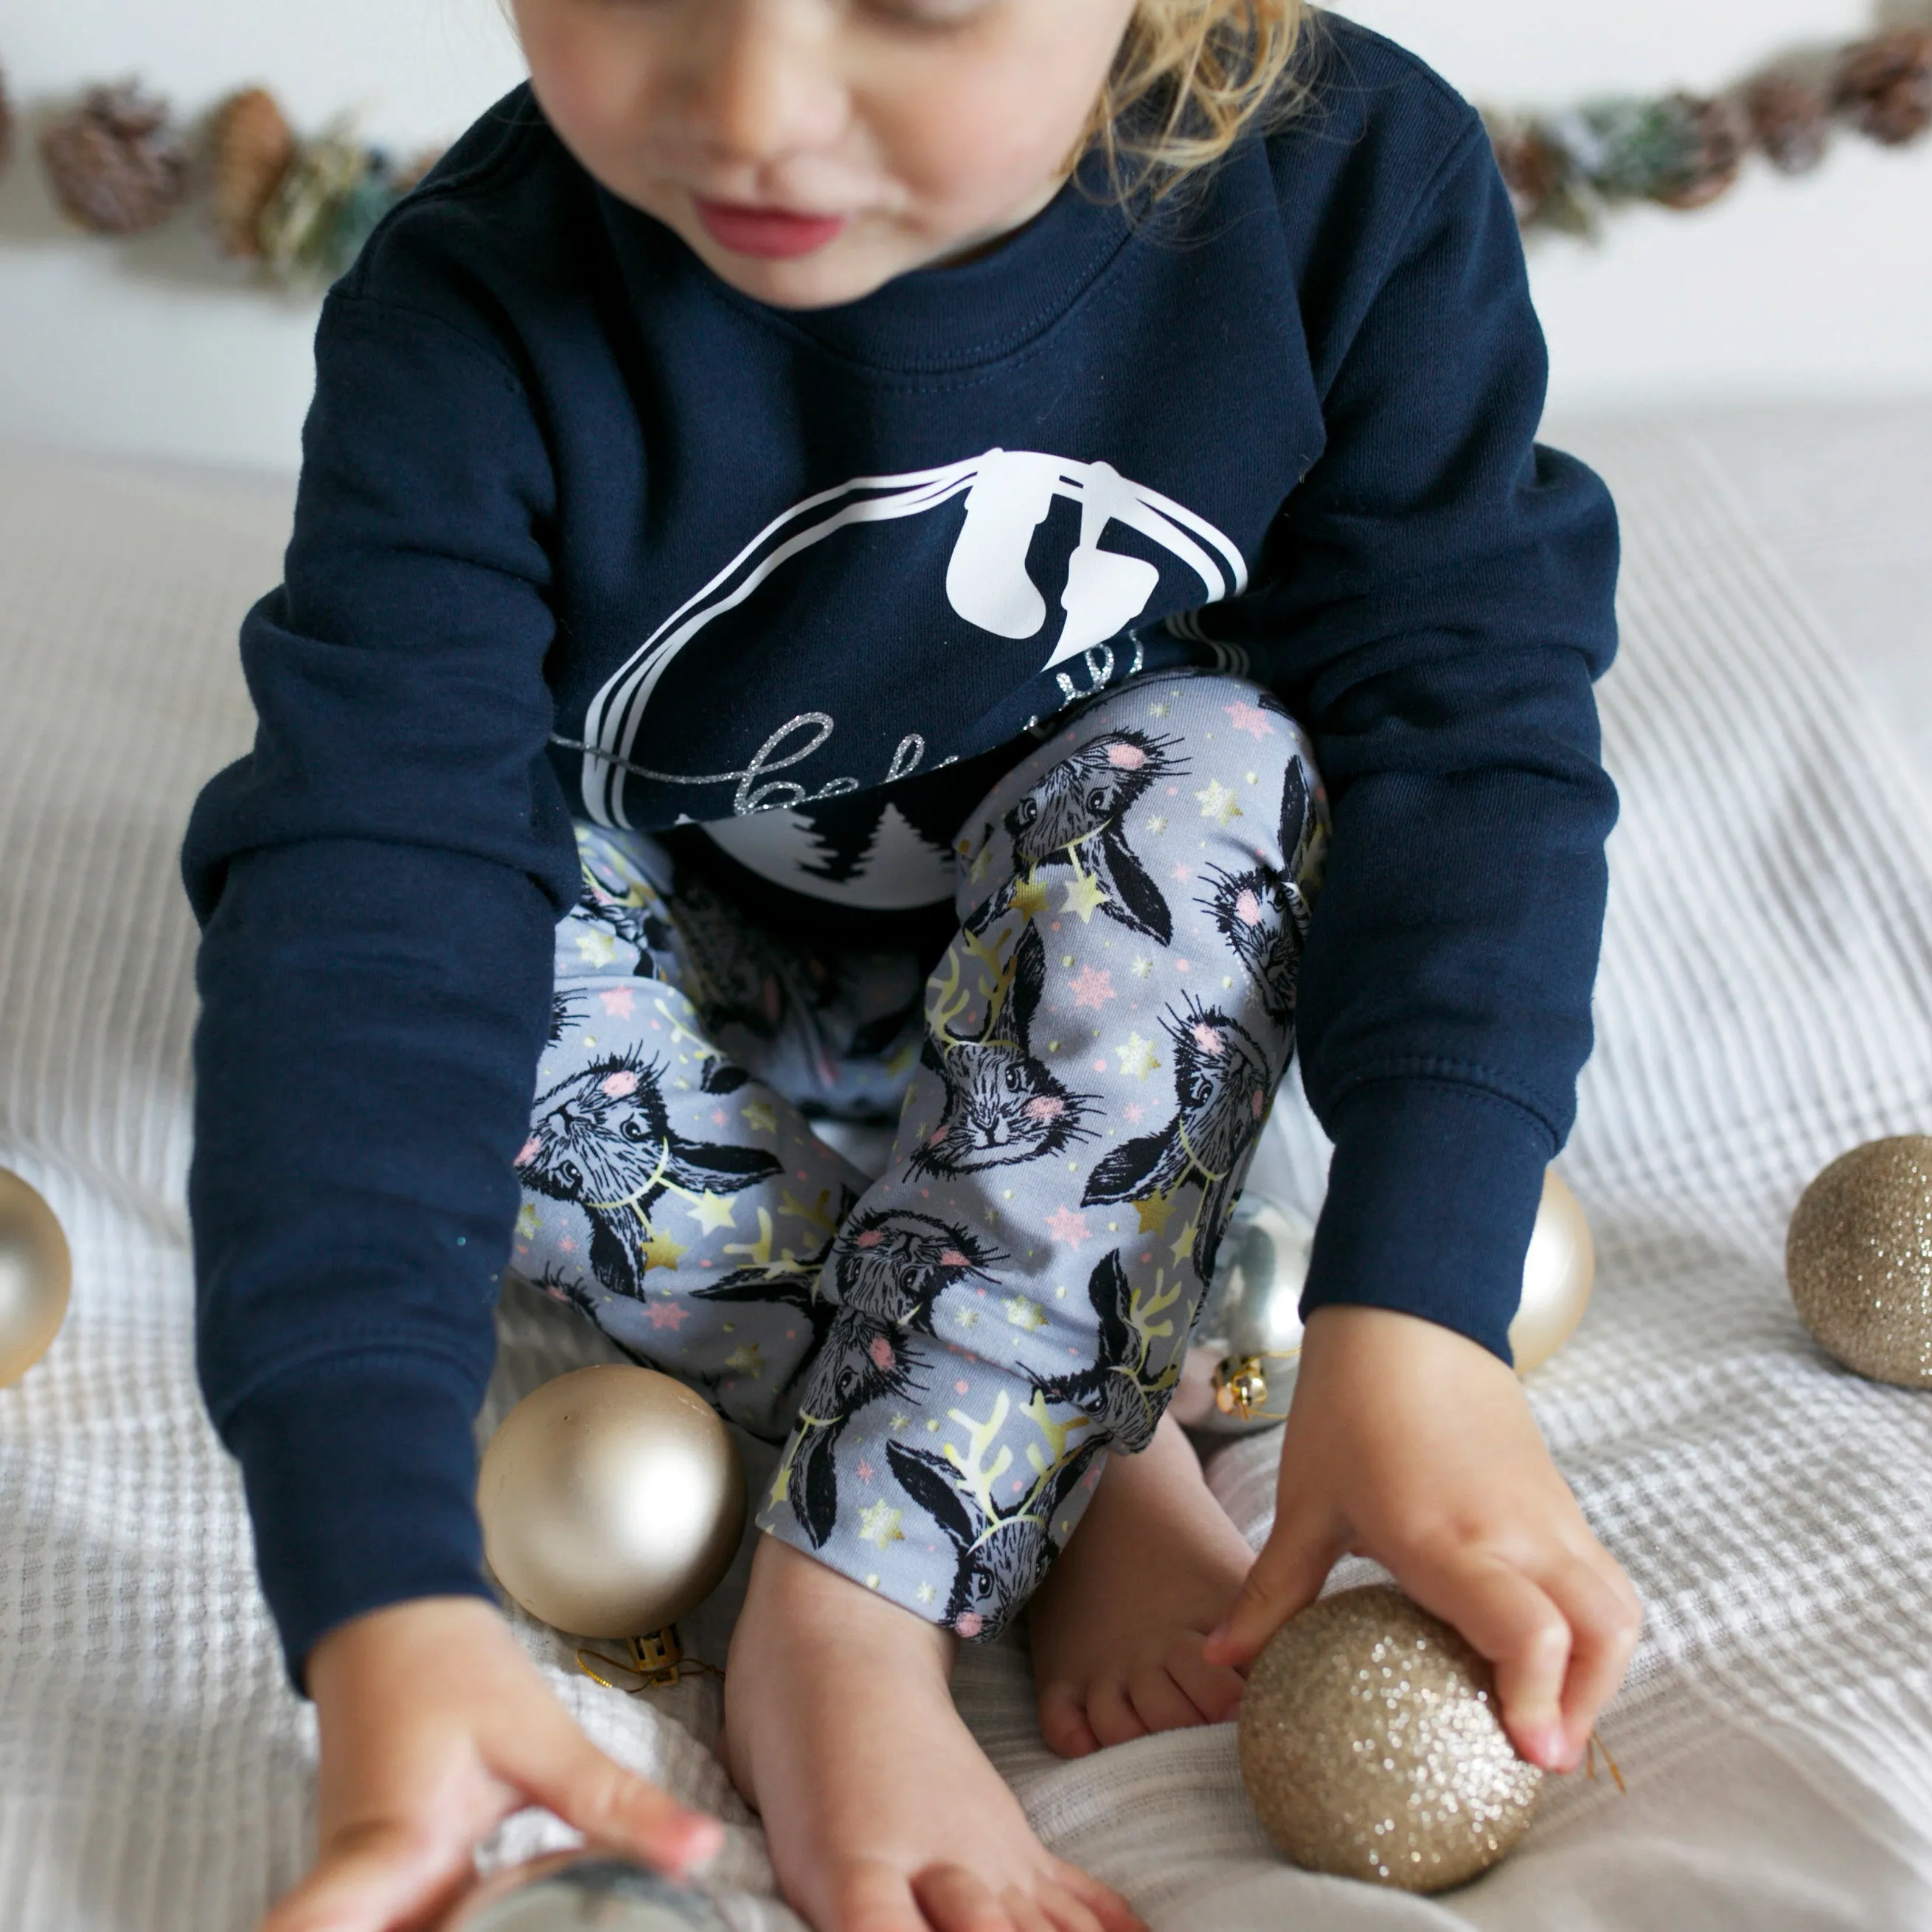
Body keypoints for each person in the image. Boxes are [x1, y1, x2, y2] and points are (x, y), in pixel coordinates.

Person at [180, 4, 1644, 1930]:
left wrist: (1420, 1317)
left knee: (1232, 770)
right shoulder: (468, 319)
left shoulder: (1346, 189)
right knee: (401, 958)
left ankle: (855, 1597)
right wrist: (381, 1601)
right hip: (692, 994)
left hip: (1091, 981)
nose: (758, 108)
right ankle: (1057, 1455)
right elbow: (376, 925)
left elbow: (1467, 738)